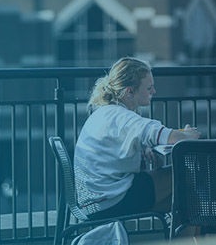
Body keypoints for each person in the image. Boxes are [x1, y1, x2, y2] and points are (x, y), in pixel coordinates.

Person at [74, 57, 200, 220]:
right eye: (149, 88)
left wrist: (143, 150)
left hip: (95, 199)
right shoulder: (123, 118)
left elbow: (117, 146)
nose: (153, 92)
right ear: (130, 91)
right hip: (110, 200)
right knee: (185, 174)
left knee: (188, 200)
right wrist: (189, 134)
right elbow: (171, 138)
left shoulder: (105, 112)